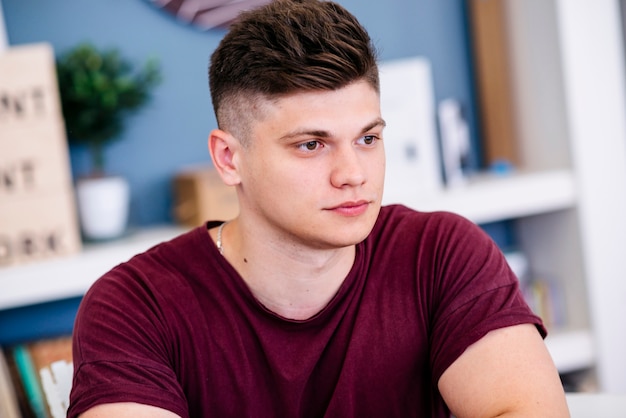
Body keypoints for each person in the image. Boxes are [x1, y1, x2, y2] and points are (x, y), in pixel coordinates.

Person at [67, 0, 570, 416]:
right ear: (228, 158)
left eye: (368, 138)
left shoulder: (440, 253)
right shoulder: (133, 307)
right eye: (311, 145)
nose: (353, 173)